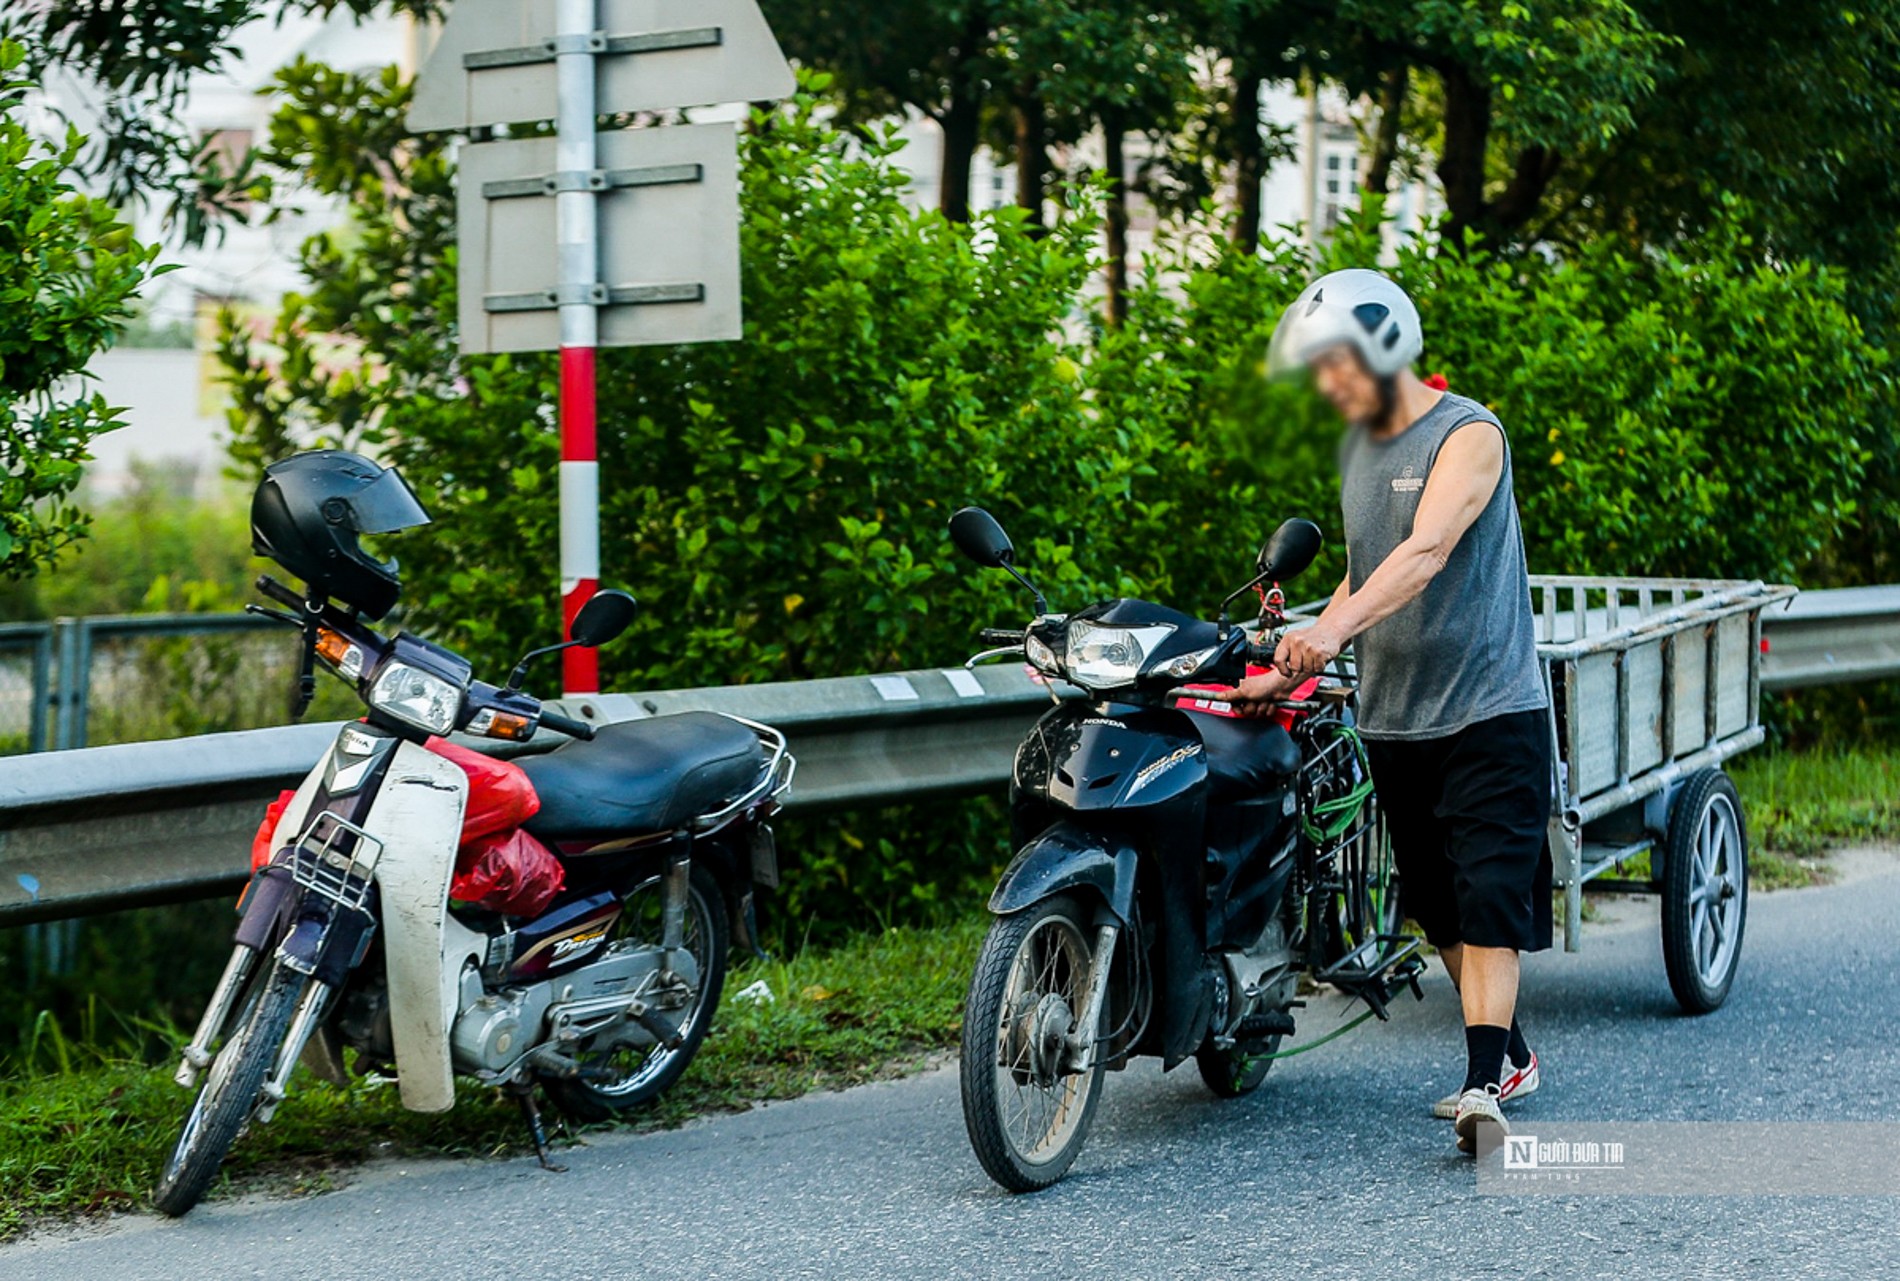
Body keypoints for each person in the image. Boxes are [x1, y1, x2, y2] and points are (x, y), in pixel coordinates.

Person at [1224, 268, 1553, 1155]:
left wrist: (1329, 635)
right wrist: (1289, 664)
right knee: (1438, 907)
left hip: (1489, 705)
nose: (1325, 385)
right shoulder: (1360, 453)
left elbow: (1425, 552)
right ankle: (1511, 1052)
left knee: (1487, 897)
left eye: (1334, 363)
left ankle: (1483, 1084)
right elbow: (1364, 572)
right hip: (1399, 716)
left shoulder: (1468, 434)